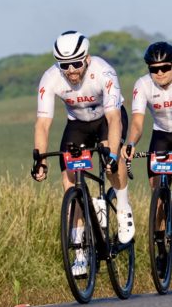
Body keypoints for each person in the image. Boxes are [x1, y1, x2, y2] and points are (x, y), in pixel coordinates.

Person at [32, 31, 133, 276]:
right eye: (65, 65)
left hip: (108, 119)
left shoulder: (104, 72)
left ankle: (122, 207)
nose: (71, 70)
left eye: (76, 63)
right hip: (77, 124)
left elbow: (113, 117)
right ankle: (80, 252)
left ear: (86, 58)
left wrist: (113, 151)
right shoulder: (51, 78)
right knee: (69, 180)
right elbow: (43, 123)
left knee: (111, 158)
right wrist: (40, 159)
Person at [122, 42, 172, 271]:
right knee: (158, 193)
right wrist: (130, 143)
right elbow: (137, 123)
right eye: (154, 69)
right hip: (160, 134)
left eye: (164, 68)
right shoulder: (142, 85)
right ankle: (161, 249)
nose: (159, 73)